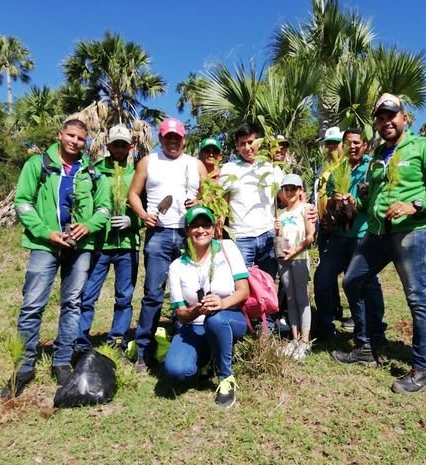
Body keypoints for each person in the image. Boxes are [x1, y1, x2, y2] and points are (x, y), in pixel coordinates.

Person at [342, 93, 426, 395]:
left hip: (411, 232)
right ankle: (365, 346)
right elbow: (370, 199)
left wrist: (415, 204)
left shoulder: (424, 147)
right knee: (353, 281)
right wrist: (356, 201)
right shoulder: (377, 156)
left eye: (391, 115)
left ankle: (423, 368)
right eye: (380, 117)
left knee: (416, 297)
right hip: (377, 232)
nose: (386, 121)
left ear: (404, 118)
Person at [1, 119, 111, 398]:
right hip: (44, 245)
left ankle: (62, 361)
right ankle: (24, 365)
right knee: (32, 304)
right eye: (71, 136)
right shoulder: (38, 165)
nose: (75, 141)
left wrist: (87, 225)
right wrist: (46, 232)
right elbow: (23, 202)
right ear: (60, 135)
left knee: (72, 303)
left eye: (81, 138)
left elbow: (104, 208)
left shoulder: (91, 171)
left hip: (79, 246)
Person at [128, 118, 207, 373]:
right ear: (160, 139)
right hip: (159, 234)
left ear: (184, 140)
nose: (173, 142)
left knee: (189, 292)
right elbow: (133, 194)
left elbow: (210, 194)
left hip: (189, 235)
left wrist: (200, 203)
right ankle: (144, 350)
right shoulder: (148, 162)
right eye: (167, 137)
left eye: (177, 138)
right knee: (153, 294)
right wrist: (143, 215)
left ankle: (184, 344)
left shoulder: (195, 164)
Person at [163, 206, 250, 408]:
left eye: (206, 225)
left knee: (216, 319)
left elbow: (243, 290)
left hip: (229, 318)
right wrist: (196, 310)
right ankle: (208, 356)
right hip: (194, 325)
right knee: (177, 371)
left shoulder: (227, 248)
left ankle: (225, 378)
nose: (200, 230)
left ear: (213, 228)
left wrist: (222, 303)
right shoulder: (177, 266)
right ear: (186, 231)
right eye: (194, 225)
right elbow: (181, 315)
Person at [314, 128, 386, 350]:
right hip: (339, 236)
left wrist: (355, 202)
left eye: (356, 143)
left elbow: (377, 200)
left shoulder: (372, 168)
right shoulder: (338, 170)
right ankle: (325, 327)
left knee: (365, 284)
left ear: (364, 145)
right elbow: (332, 204)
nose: (352, 147)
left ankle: (373, 330)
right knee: (322, 279)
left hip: (363, 236)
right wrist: (335, 205)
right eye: (348, 143)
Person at [76, 124, 141, 354]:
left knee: (124, 296)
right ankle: (80, 341)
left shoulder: (137, 174)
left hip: (127, 245)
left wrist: (133, 221)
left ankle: (117, 339)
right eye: (116, 145)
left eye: (124, 145)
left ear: (130, 147)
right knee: (87, 295)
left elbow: (146, 208)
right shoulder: (95, 171)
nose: (120, 149)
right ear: (108, 146)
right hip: (100, 244)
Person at [218, 122, 283, 279]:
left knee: (267, 283)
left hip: (268, 235)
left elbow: (282, 199)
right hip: (241, 237)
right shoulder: (229, 168)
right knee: (242, 285)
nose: (247, 148)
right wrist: (218, 232)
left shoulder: (272, 168)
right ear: (236, 145)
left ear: (259, 142)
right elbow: (223, 204)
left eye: (251, 142)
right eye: (242, 143)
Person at [275, 174, 315, 359]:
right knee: (290, 298)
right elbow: (281, 239)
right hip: (284, 259)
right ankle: (295, 338)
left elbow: (310, 236)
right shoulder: (281, 213)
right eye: (286, 189)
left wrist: (295, 252)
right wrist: (277, 230)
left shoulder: (306, 209)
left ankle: (305, 342)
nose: (289, 192)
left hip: (300, 259)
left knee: (302, 298)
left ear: (300, 191)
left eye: (293, 188)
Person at [314, 126, 345, 323]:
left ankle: (361, 317)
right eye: (329, 143)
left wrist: (334, 218)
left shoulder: (347, 164)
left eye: (336, 143)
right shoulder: (324, 167)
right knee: (328, 271)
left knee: (349, 272)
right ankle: (334, 308)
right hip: (323, 225)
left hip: (341, 227)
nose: (332, 147)